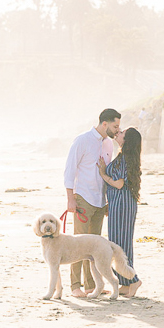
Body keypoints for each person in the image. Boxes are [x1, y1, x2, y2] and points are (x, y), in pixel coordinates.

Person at [63, 108, 120, 297]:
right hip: (83, 198)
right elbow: (69, 170)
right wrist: (70, 198)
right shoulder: (82, 140)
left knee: (94, 247)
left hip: (99, 200)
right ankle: (75, 286)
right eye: (115, 126)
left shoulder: (109, 145)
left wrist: (107, 201)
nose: (117, 130)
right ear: (104, 124)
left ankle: (91, 286)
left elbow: (106, 174)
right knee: (76, 245)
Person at [98, 127, 142, 298]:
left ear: (127, 139)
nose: (119, 132)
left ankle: (134, 280)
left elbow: (119, 184)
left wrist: (103, 173)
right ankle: (126, 282)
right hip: (120, 204)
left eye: (122, 132)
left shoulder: (124, 159)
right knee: (120, 243)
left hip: (123, 205)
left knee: (120, 244)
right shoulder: (123, 156)